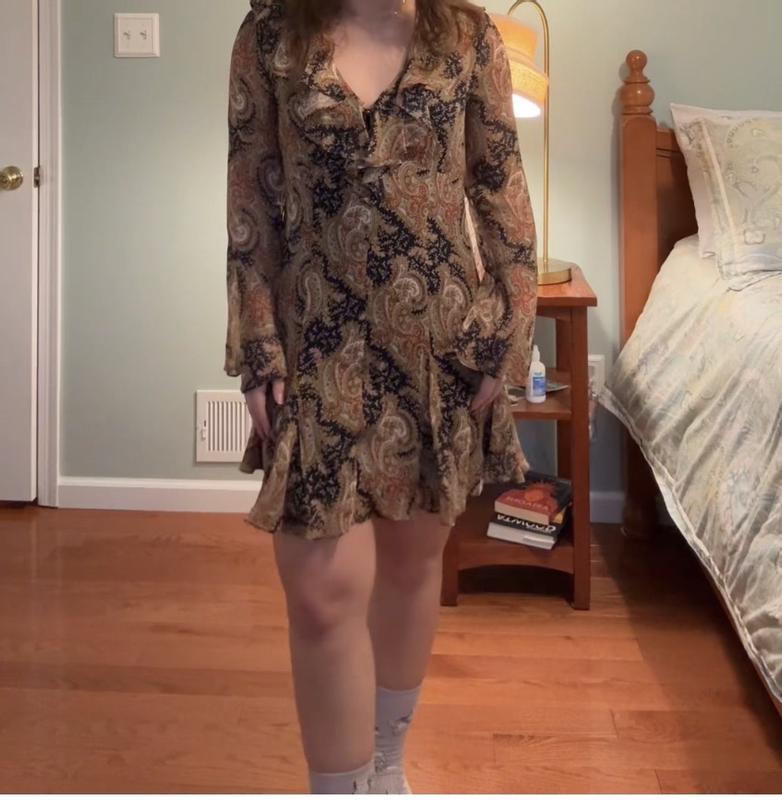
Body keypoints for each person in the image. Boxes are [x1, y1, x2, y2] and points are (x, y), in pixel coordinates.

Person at [224, 0, 538, 793]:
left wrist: (506, 333)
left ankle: (387, 766)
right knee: (320, 592)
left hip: (437, 353)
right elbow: (252, 206)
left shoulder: (469, 37)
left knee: (408, 566)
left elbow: (503, 196)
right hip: (315, 349)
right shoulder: (269, 35)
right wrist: (258, 345)